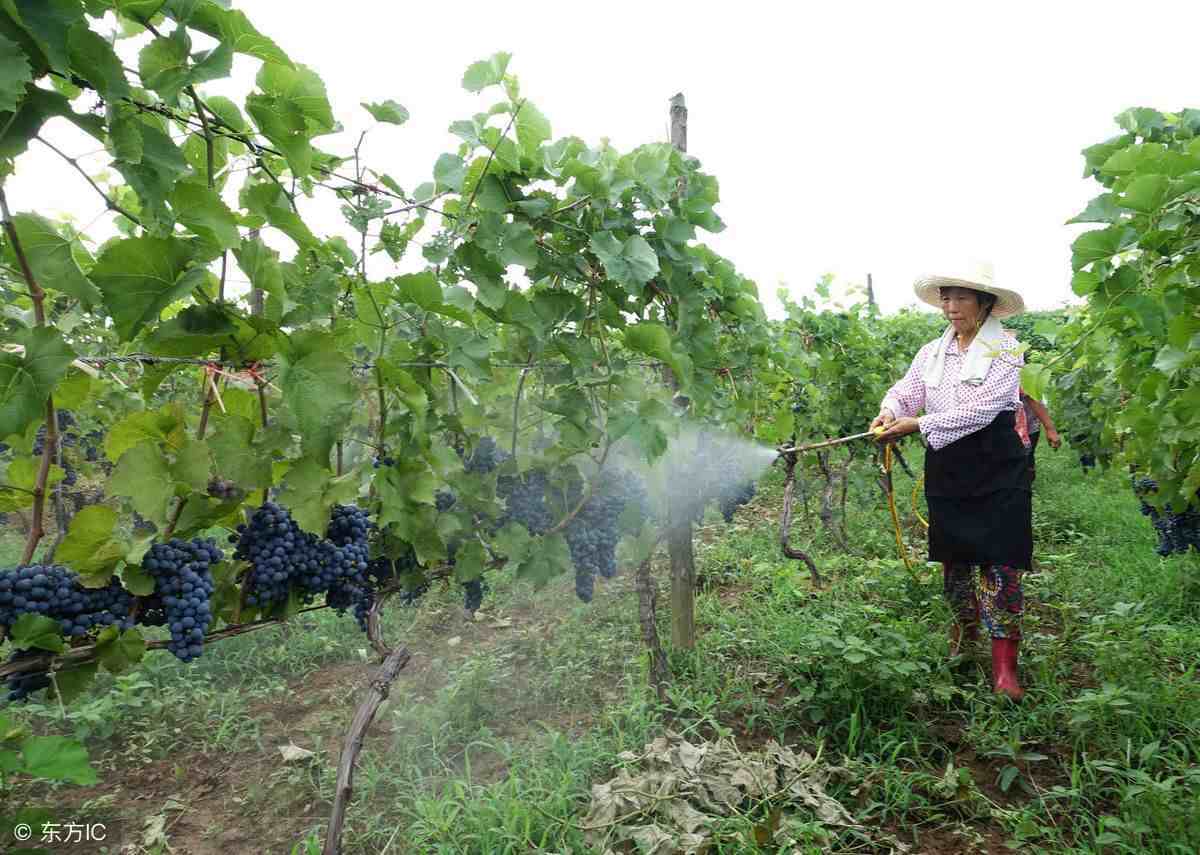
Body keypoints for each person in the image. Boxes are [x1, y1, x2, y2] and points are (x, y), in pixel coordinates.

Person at [871, 263, 1031, 701]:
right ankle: (964, 634)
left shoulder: (1007, 351)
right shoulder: (931, 352)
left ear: (985, 303)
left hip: (997, 466)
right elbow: (907, 389)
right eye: (946, 297)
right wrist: (890, 410)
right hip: (949, 468)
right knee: (955, 560)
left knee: (1001, 562)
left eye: (961, 297)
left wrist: (917, 424)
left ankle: (1004, 668)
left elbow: (986, 408)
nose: (951, 306)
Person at [1015, 389, 1061, 484]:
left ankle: (1025, 484)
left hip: (1027, 419)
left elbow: (1030, 395)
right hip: (1014, 419)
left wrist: (1049, 428)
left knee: (1026, 458)